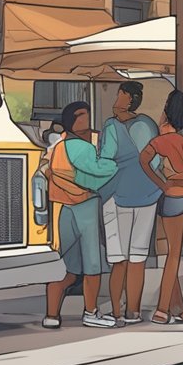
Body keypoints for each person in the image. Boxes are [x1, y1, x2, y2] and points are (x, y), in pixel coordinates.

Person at [42, 101, 119, 329]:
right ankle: (91, 312)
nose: (89, 117)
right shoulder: (82, 148)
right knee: (92, 264)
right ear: (76, 120)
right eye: (84, 114)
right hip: (85, 205)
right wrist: (111, 160)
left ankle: (52, 315)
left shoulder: (58, 146)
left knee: (66, 266)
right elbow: (101, 170)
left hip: (64, 208)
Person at [98, 81, 162, 324]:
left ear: (128, 99)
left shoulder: (112, 127)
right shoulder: (147, 124)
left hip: (118, 195)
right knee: (138, 257)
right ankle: (133, 311)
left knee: (118, 259)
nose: (116, 98)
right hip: (147, 195)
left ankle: (116, 311)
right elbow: (155, 162)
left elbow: (105, 161)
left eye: (120, 94)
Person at [140, 90, 183, 325]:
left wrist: (160, 183)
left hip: (164, 198)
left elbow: (143, 160)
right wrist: (177, 178)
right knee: (174, 255)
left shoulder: (157, 141)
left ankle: (178, 307)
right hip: (181, 199)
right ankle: (163, 309)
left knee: (167, 254)